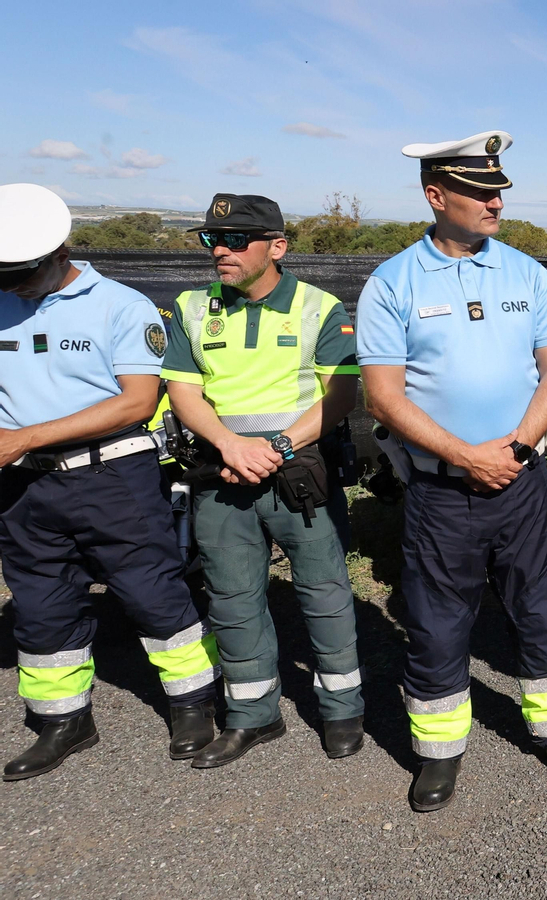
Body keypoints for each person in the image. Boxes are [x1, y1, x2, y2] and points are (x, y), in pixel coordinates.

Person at [358, 131, 547, 812]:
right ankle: (438, 754)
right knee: (436, 623)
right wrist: (465, 456)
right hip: (440, 490)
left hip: (522, 481)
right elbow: (384, 395)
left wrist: (515, 449)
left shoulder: (525, 272)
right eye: (481, 192)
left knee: (543, 609)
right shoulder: (393, 281)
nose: (496, 203)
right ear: (437, 196)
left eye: (499, 192)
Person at [0, 183, 220, 779]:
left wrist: (25, 436)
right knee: (41, 603)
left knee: (152, 592)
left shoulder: (122, 306)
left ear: (59, 251)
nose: (11, 284)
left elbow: (135, 402)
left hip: (110, 476)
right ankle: (62, 720)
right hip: (24, 487)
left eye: (21, 272)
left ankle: (194, 704)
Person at [162, 193, 366, 768]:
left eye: (234, 240)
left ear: (276, 246)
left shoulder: (319, 307)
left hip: (300, 473)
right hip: (221, 473)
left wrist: (274, 447)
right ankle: (253, 715)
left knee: (324, 595)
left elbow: (341, 396)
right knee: (230, 599)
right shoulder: (191, 307)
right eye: (211, 239)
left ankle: (342, 708)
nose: (220, 250)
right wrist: (229, 444)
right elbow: (183, 391)